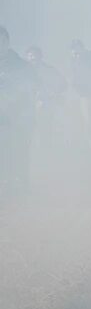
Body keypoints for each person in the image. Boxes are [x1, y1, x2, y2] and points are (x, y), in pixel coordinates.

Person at [0, 25, 33, 193]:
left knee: (18, 152)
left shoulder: (19, 64)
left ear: (7, 42)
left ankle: (20, 185)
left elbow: (27, 91)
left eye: (1, 40)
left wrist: (14, 110)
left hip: (17, 117)